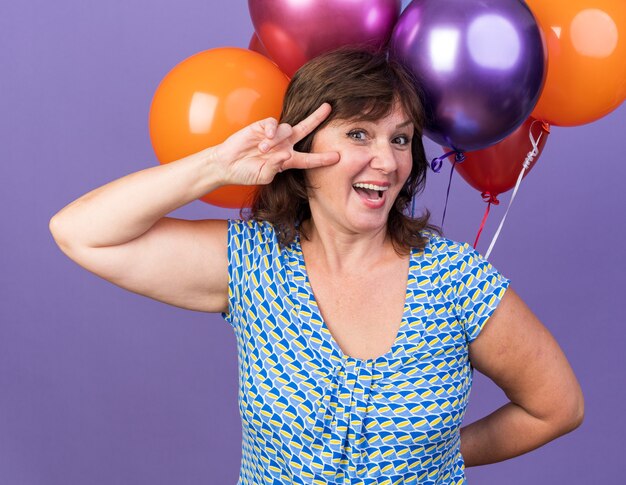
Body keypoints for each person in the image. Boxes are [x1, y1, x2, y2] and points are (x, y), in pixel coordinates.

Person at [49, 48, 583, 484]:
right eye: (359, 134)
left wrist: (439, 458)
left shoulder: (455, 282)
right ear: (298, 154)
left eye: (400, 139)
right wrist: (219, 165)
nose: (388, 159)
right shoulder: (253, 264)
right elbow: (81, 233)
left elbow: (556, 407)